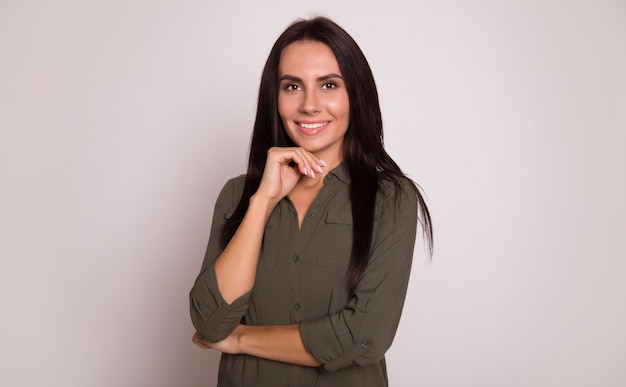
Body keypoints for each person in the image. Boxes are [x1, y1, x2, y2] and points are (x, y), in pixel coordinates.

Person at [189, 16, 433, 387]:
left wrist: (239, 339)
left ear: (356, 95)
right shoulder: (238, 195)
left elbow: (363, 336)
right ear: (275, 97)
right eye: (292, 87)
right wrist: (263, 201)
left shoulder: (391, 199)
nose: (309, 105)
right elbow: (209, 321)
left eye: (329, 85)